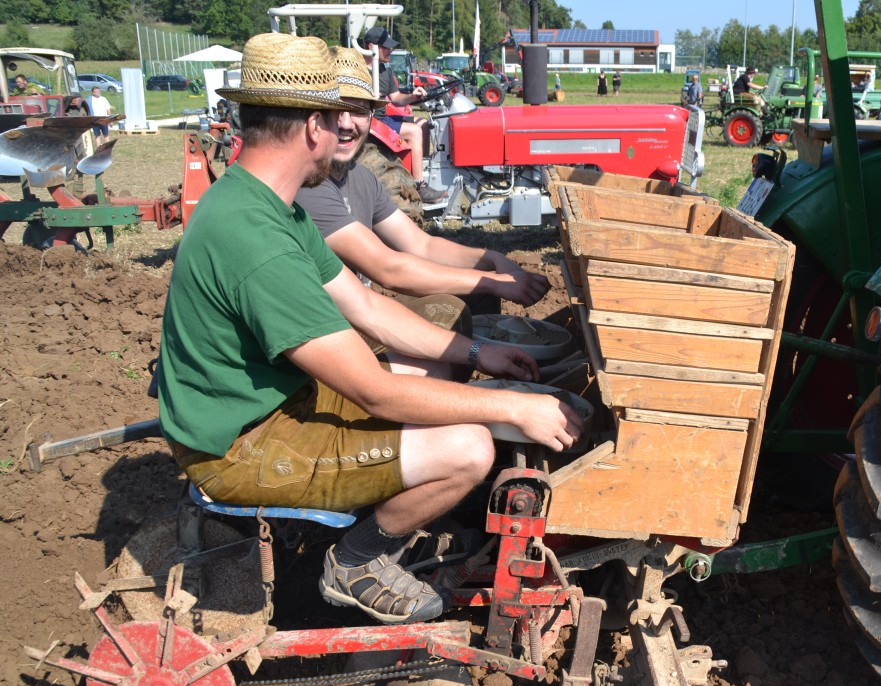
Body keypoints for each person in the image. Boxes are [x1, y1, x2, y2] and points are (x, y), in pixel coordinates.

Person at [158, 33, 581, 626]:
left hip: (271, 401)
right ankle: (357, 559)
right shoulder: (256, 241)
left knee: (435, 385)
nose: (350, 131)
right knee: (468, 446)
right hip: (239, 446)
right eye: (340, 117)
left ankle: (393, 510)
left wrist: (481, 352)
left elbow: (370, 308)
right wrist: (512, 407)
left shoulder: (271, 207)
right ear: (313, 126)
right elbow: (372, 390)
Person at [296, 48, 550, 317]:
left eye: (357, 110)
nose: (346, 123)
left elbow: (421, 245)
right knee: (464, 303)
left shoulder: (361, 176)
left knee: (476, 297)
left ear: (371, 115)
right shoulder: (308, 185)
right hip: (329, 323)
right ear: (315, 118)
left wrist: (491, 259)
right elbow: (388, 270)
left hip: (357, 311)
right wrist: (493, 282)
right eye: (335, 110)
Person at [360, 26, 445, 204]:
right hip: (374, 121)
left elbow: (397, 98)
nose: (389, 51)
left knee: (423, 123)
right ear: (370, 47)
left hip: (385, 119)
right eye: (385, 47)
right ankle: (419, 184)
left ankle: (420, 167)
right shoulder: (360, 71)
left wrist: (413, 95)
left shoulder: (384, 70)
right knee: (414, 131)